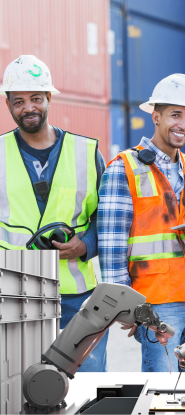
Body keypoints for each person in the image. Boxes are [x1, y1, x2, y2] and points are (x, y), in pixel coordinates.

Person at [97, 73, 185, 372]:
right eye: (175, 115)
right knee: (163, 391)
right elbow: (111, 245)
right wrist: (125, 306)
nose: (184, 124)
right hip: (155, 303)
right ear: (156, 116)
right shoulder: (124, 168)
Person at [0, 55, 108, 371]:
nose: (28, 107)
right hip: (18, 290)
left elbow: (109, 217)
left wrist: (86, 244)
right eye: (18, 101)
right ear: (8, 104)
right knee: (23, 386)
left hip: (79, 294)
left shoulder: (86, 152)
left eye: (35, 98)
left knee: (88, 383)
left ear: (49, 98)